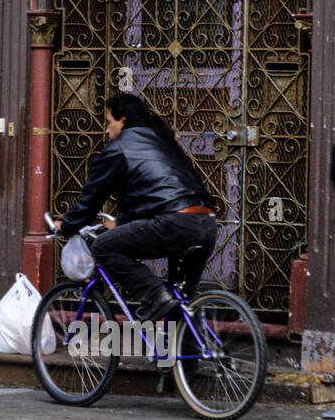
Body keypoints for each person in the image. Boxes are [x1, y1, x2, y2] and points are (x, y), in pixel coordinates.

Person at [52, 93, 218, 320]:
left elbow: (91, 198)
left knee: (103, 247)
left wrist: (67, 225)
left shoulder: (119, 148)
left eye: (109, 123)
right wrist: (121, 222)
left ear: (123, 121)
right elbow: (152, 194)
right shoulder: (165, 142)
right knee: (182, 301)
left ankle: (154, 296)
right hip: (206, 222)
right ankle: (190, 353)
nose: (107, 131)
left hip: (174, 222)